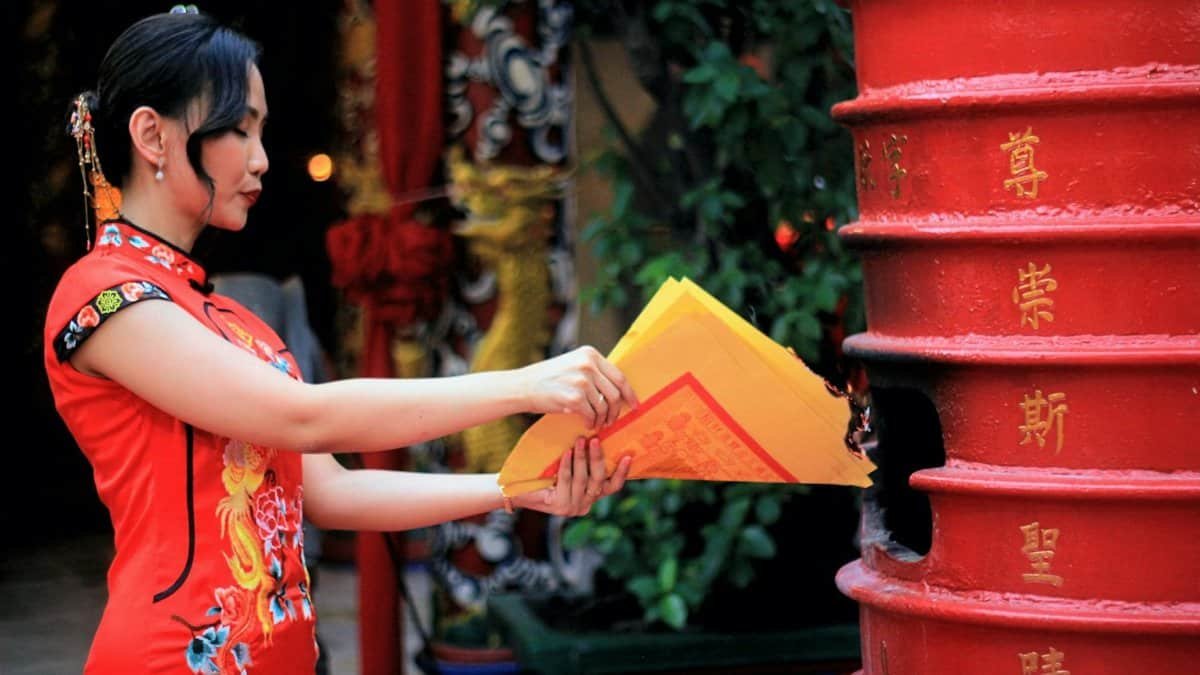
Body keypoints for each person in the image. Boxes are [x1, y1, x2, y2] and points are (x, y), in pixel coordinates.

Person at [44, 9, 636, 674]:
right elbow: (304, 416)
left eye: (261, 130)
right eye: (240, 129)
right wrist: (524, 383)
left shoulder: (237, 324)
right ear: (152, 133)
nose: (262, 159)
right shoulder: (103, 296)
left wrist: (515, 486)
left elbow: (327, 491)